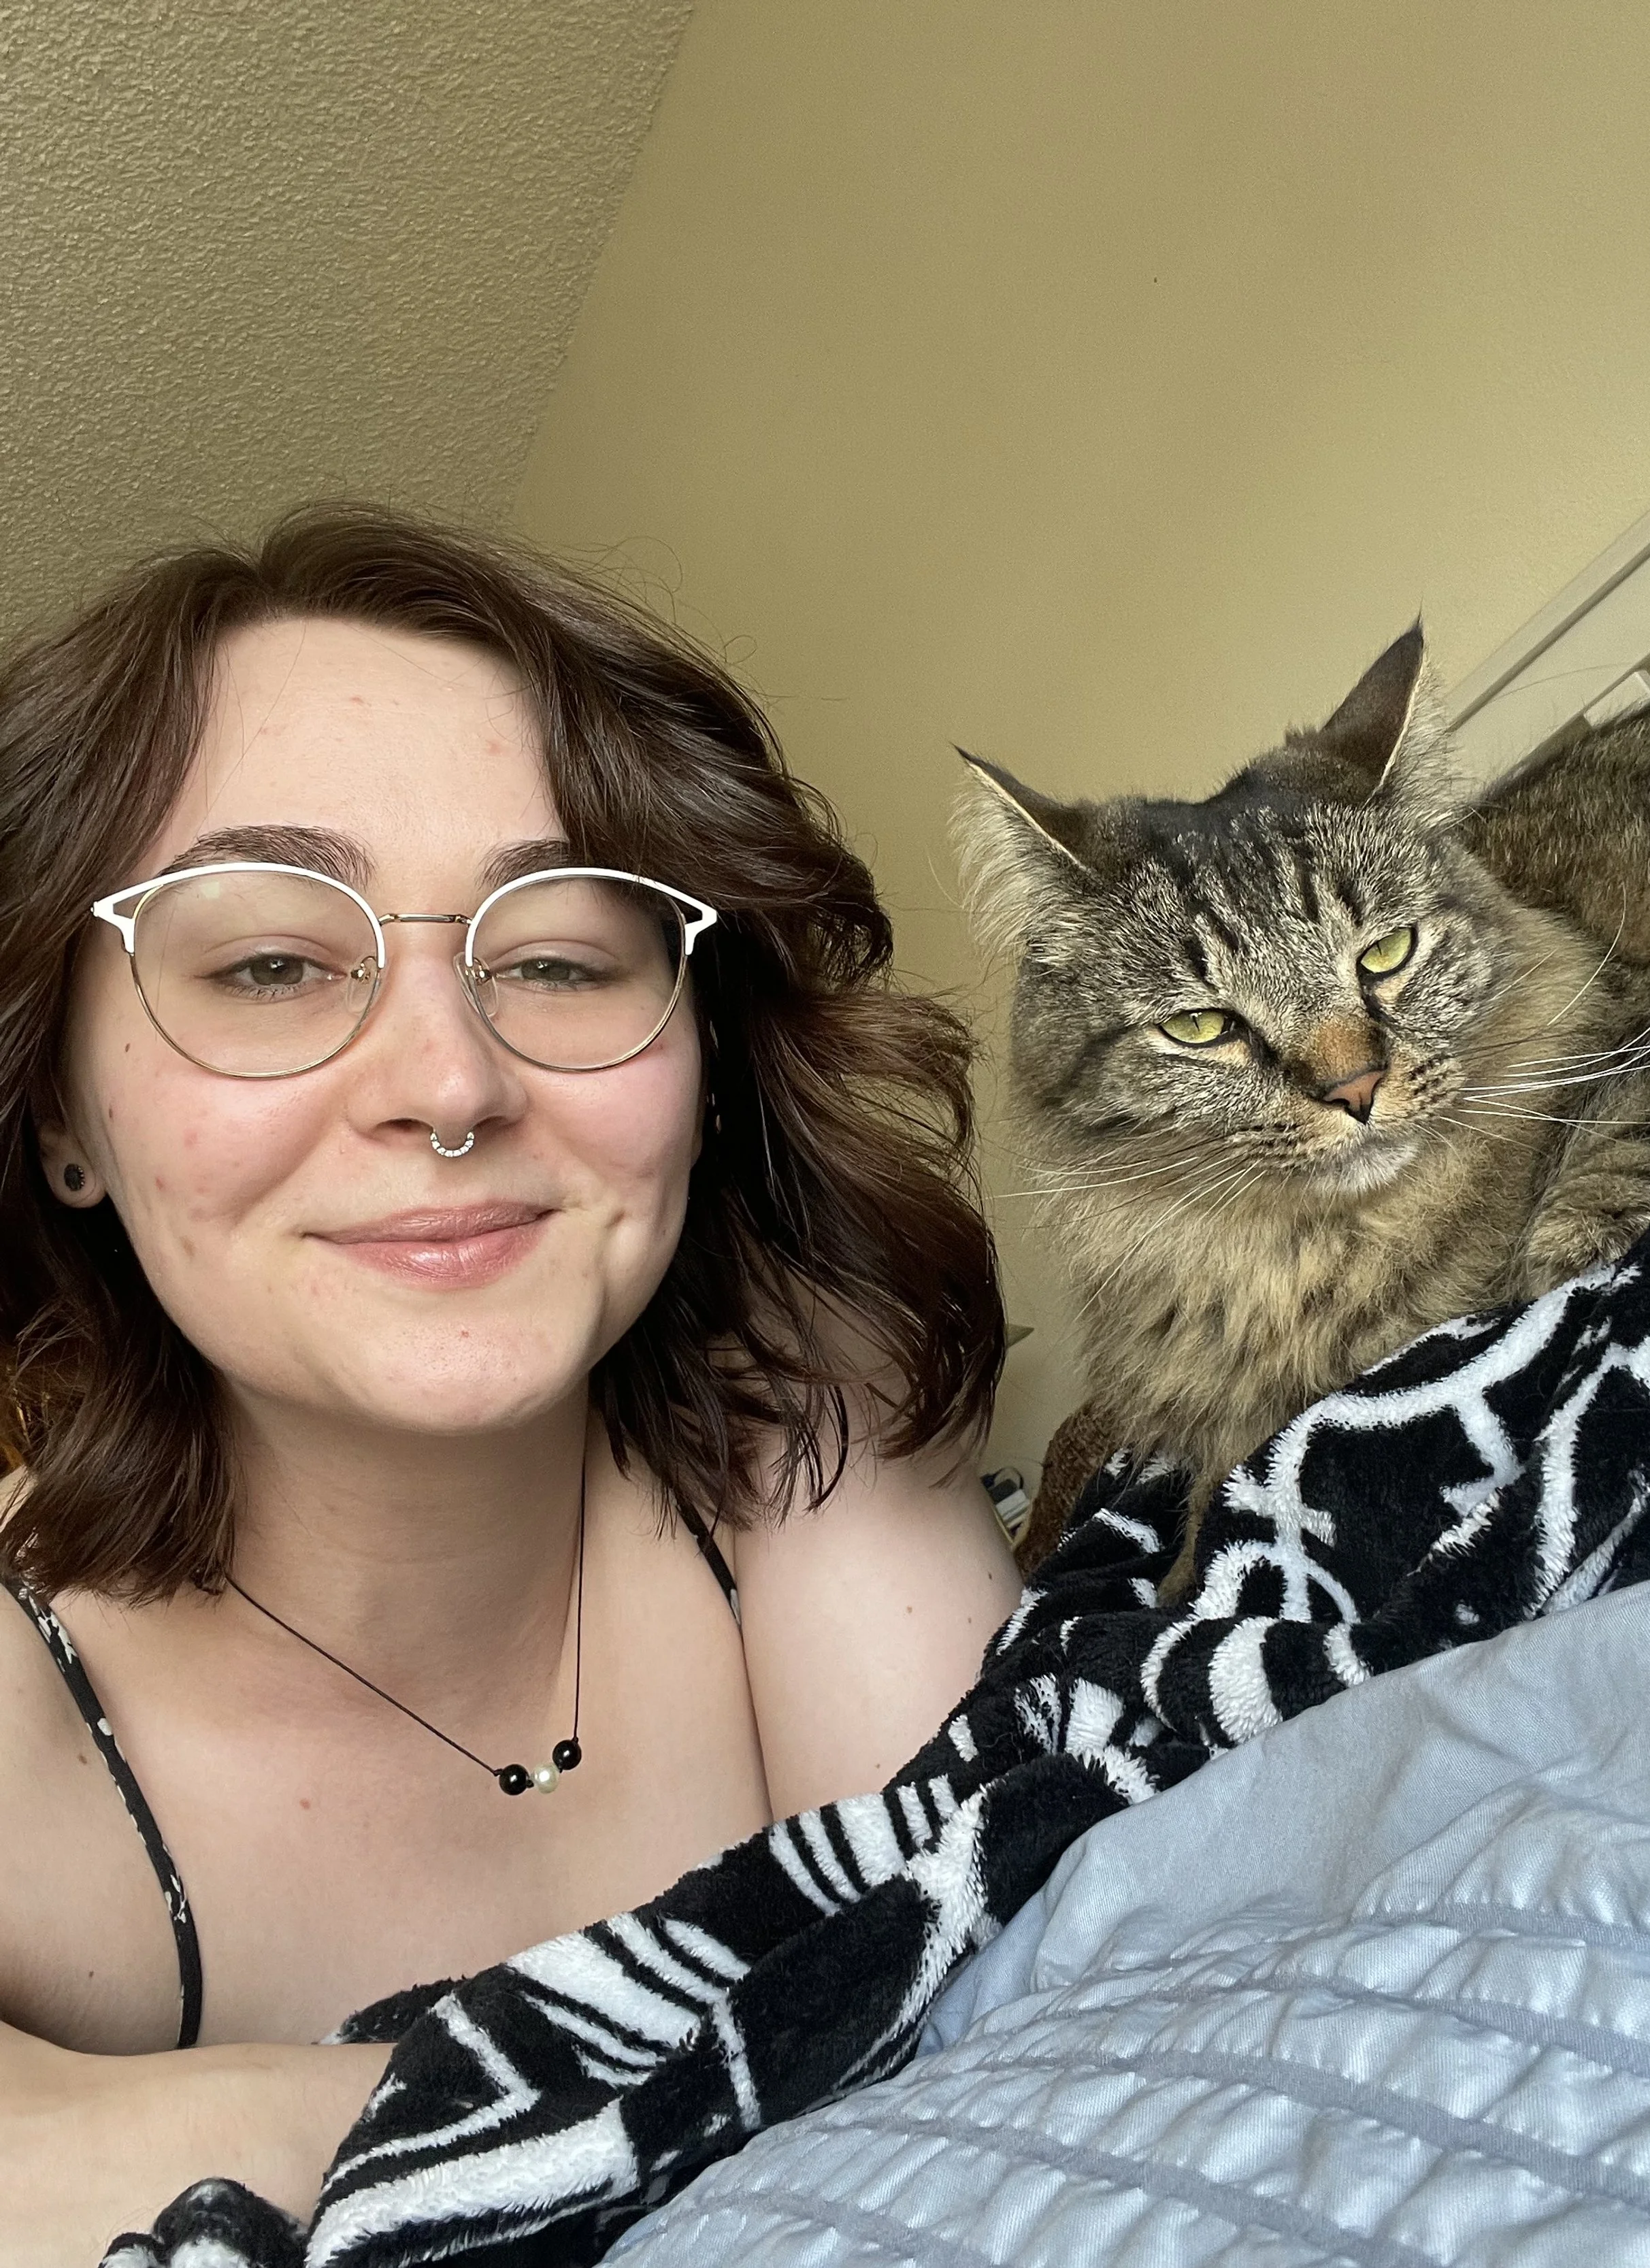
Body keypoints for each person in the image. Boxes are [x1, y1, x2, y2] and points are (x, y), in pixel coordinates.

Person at [0, 508, 1020, 2257]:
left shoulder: (805, 1419)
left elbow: (1027, 2020)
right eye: (265, 963)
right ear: (63, 1118)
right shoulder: (31, 1708)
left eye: (556, 956)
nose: (448, 1081)